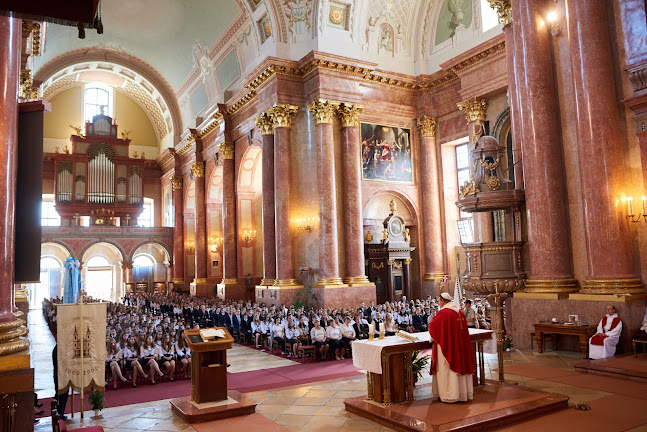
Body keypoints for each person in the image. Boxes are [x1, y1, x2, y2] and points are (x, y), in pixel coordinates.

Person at [428, 292, 475, 403]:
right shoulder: (460, 312)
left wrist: (431, 338)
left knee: (446, 369)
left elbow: (433, 327)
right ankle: (462, 394)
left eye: (439, 301)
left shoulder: (443, 313)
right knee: (459, 365)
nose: (438, 303)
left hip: (447, 346)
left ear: (443, 301)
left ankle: (449, 395)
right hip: (459, 347)